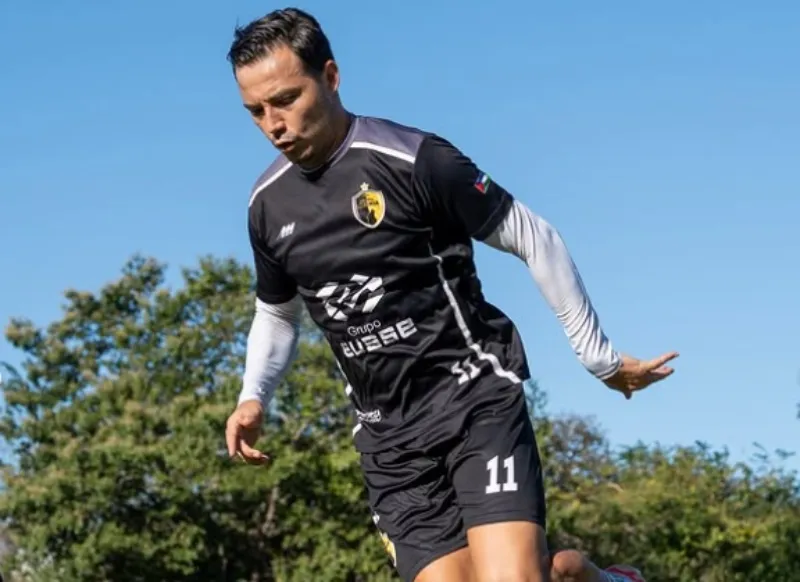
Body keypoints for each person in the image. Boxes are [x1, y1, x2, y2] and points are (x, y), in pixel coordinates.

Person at [223, 8, 676, 582]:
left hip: (474, 402)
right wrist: (253, 395)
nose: (273, 124)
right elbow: (279, 314)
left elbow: (534, 237)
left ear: (331, 77)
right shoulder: (267, 205)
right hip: (389, 441)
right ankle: (587, 576)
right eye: (256, 111)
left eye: (286, 99)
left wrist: (598, 358)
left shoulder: (416, 160)